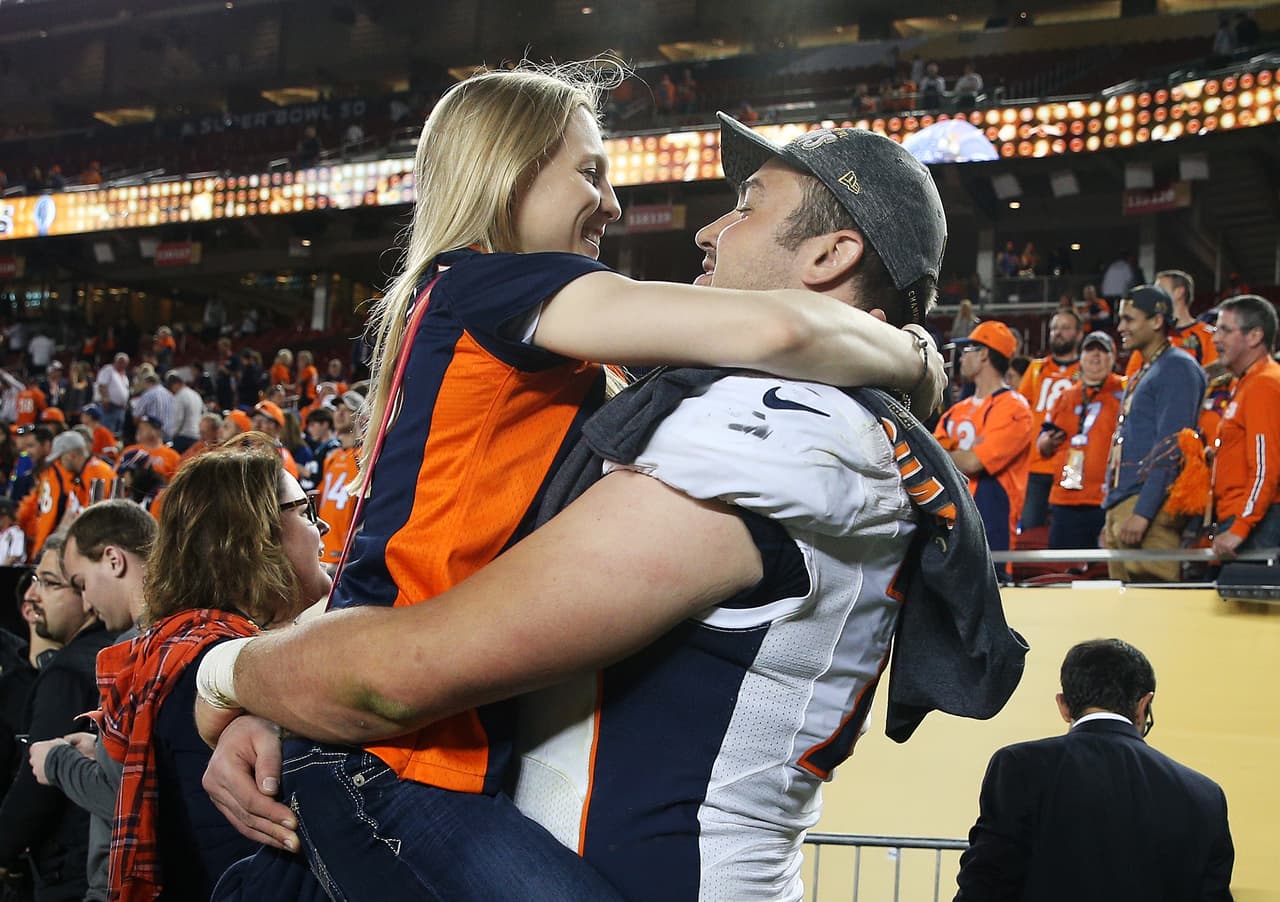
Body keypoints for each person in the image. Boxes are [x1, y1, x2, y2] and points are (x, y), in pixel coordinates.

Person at [196, 78, 995, 901]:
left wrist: (226, 676)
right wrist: (291, 700)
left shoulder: (791, 425)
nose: (705, 227)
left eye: (746, 206)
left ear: (830, 257)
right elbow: (433, 589)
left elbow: (396, 673)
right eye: (592, 175)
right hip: (427, 780)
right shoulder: (620, 363)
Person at [88, 440, 332, 901]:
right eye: (304, 509)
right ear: (252, 538)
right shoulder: (223, 670)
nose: (321, 526)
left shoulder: (177, 650)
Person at [955, 638, 1233, 901]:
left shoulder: (1020, 766)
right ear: (1143, 705)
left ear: (1063, 706)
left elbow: (986, 882)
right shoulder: (1205, 795)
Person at [32, 501, 156, 902]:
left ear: (114, 560)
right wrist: (99, 749)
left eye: (82, 583)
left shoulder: (135, 649)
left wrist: (56, 762)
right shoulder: (174, 633)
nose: (86, 603)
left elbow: (126, 799)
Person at [0, 534, 115, 902]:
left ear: (86, 592)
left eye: (50, 583)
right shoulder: (110, 651)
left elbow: (36, 791)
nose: (34, 595)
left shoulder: (67, 673)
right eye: (34, 580)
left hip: (72, 872)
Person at [1103, 285, 1206, 582]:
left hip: (1148, 508)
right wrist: (1112, 509)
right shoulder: (1148, 369)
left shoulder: (1177, 368)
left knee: (1151, 606)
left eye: (1129, 319)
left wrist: (1145, 512)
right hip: (1126, 502)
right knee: (1123, 614)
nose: (1121, 327)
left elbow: (1172, 446)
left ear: (1157, 321)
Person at [936, 320, 1035, 555]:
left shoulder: (1015, 408)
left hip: (993, 523)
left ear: (983, 355)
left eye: (967, 350)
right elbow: (930, 455)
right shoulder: (956, 411)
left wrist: (951, 454)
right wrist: (961, 454)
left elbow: (973, 462)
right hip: (953, 519)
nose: (961, 358)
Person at [1038, 332, 1124, 550]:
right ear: (1081, 357)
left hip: (1106, 500)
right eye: (1090, 350)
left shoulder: (1124, 391)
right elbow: (1042, 443)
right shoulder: (1065, 396)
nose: (1096, 356)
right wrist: (1047, 442)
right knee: (1062, 573)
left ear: (1113, 357)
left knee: (1104, 576)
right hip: (1065, 500)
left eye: (1102, 351)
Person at [1209, 295, 1280, 558]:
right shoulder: (1246, 383)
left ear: (1254, 336)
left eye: (1225, 330)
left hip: (1258, 524)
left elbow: (1266, 467)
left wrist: (1241, 526)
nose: (1216, 339)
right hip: (1248, 517)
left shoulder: (1264, 384)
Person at [1018, 310, 1082, 530]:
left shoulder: (1086, 371)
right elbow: (1021, 412)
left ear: (1079, 334)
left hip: (1071, 465)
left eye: (1065, 328)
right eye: (1055, 328)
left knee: (1067, 531)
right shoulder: (1036, 369)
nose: (1058, 333)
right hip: (1035, 465)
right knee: (1028, 529)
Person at [1125, 269, 1216, 376]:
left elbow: (1214, 374)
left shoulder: (1207, 335)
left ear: (1179, 292)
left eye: (1160, 289)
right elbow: (1131, 379)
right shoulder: (1150, 334)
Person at [316, 392, 361, 568]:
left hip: (347, 553)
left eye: (347, 410)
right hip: (324, 547)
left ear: (362, 416)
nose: (339, 414)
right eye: (337, 409)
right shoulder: (332, 456)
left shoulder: (366, 456)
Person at [165, 370, 205, 454]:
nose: (171, 390)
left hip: (183, 437)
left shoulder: (180, 396)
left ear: (176, 384)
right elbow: (203, 412)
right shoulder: (196, 394)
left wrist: (172, 435)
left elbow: (178, 419)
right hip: (197, 436)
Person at [95, 354, 130, 437]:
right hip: (110, 406)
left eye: (124, 363)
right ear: (115, 361)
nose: (122, 364)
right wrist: (105, 399)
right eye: (120, 362)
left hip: (120, 408)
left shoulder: (123, 375)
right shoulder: (108, 369)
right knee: (108, 431)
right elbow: (102, 385)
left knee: (117, 433)